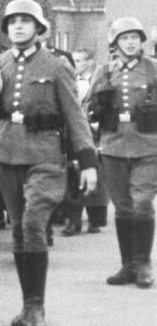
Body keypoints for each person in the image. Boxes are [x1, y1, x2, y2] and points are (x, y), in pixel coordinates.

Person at [0, 0, 98, 326]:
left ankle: (36, 307)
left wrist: (87, 161)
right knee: (19, 228)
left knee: (32, 224)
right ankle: (28, 303)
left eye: (25, 21)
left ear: (38, 28)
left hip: (43, 155)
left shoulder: (56, 65)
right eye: (12, 21)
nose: (17, 26)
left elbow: (75, 116)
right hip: (4, 155)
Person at [86, 17, 157, 289]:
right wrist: (98, 105)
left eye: (134, 38)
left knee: (142, 203)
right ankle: (128, 264)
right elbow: (87, 107)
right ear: (115, 43)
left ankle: (144, 263)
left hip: (148, 145)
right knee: (123, 207)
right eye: (124, 38)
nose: (130, 42)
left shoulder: (153, 70)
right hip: (114, 144)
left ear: (141, 42)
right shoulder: (104, 72)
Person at [60, 48, 109, 236]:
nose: (75, 64)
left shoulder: (99, 79)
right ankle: (73, 219)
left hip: (95, 132)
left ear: (90, 62)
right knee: (73, 174)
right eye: (74, 60)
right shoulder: (67, 79)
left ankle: (95, 218)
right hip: (73, 131)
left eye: (79, 60)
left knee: (94, 174)